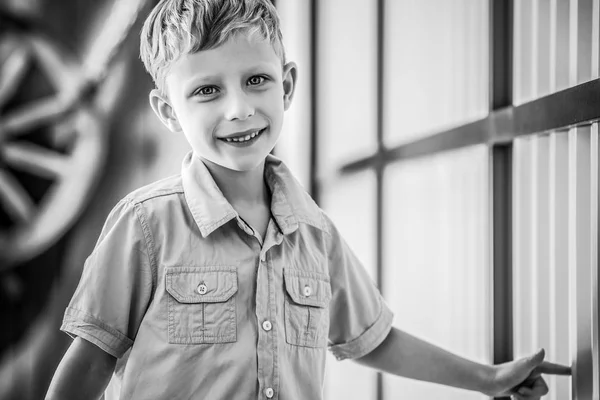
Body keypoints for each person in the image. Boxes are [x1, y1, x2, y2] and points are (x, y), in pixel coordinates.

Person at [46, 0, 571, 399]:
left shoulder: (314, 233)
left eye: (257, 81)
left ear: (287, 86)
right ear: (166, 110)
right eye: (207, 90)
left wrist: (489, 379)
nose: (239, 109)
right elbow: (90, 360)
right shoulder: (145, 225)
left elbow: (372, 338)